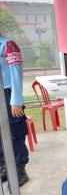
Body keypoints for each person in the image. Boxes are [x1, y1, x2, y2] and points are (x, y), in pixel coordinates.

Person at [0, 34, 29, 186]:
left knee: (15, 133)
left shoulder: (8, 44)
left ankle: (20, 170)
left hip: (8, 95)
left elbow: (16, 73)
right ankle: (4, 167)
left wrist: (16, 100)